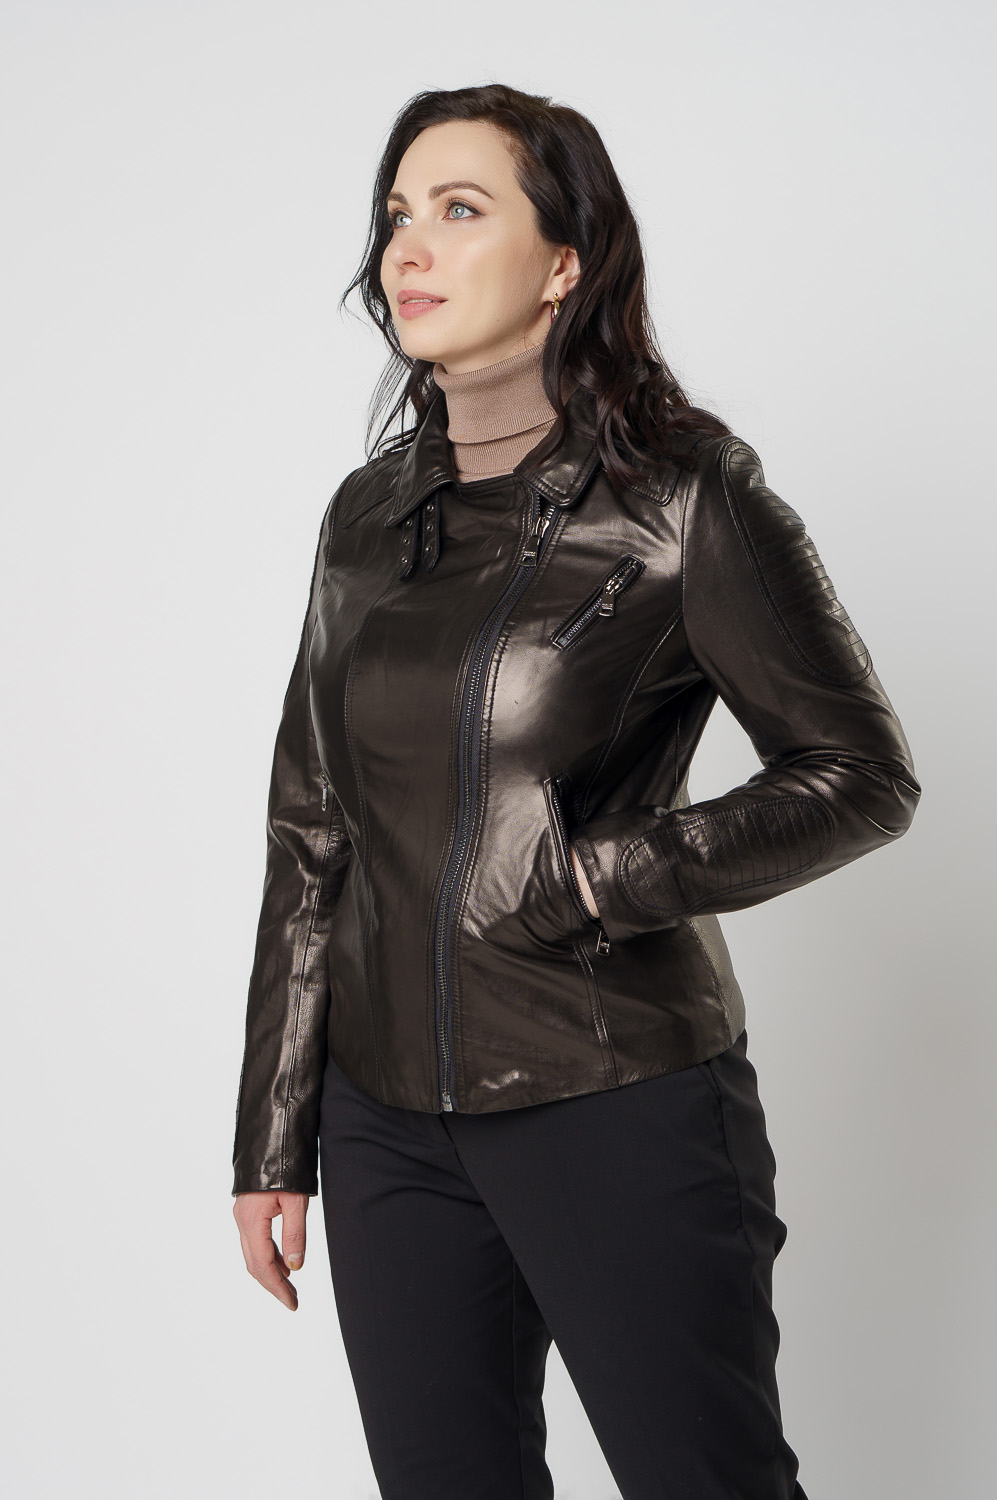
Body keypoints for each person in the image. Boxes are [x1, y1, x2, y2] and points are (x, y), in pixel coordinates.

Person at [231, 83, 921, 1500]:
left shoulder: (683, 499)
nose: (408, 246)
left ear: (564, 262)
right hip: (384, 1120)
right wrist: (274, 1135)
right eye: (397, 214)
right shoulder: (367, 516)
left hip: (611, 1095)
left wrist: (598, 881)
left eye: (459, 209)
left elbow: (860, 773)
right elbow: (312, 828)